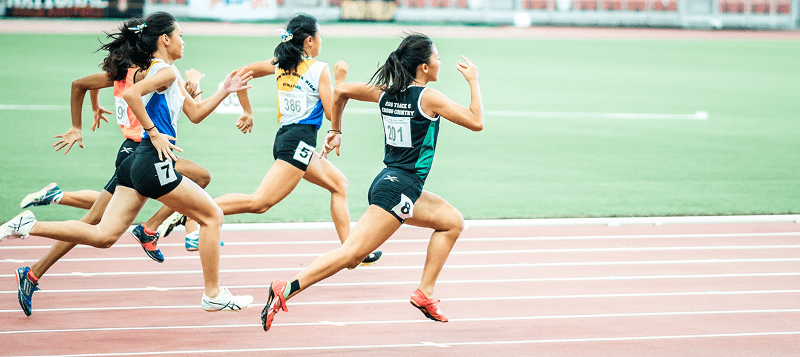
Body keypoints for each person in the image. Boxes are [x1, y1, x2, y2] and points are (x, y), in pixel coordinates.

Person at [1, 11, 254, 313]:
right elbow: (131, 93)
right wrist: (153, 132)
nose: (184, 40)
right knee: (212, 215)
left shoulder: (165, 71)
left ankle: (29, 225)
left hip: (137, 162)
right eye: (180, 35)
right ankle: (212, 294)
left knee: (103, 234)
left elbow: (196, 113)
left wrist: (224, 90)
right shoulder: (164, 72)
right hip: (148, 158)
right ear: (165, 39)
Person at [260, 33, 484, 331]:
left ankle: (424, 293)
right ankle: (286, 287)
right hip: (399, 189)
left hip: (394, 184)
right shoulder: (428, 98)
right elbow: (476, 121)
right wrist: (473, 81)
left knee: (452, 222)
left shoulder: (384, 92)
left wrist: (336, 129)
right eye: (437, 57)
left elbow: (341, 92)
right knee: (351, 256)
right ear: (424, 68)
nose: (440, 61)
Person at [177, 13, 380, 266]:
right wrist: (341, 82)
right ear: (308, 41)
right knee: (260, 202)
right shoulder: (319, 69)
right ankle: (193, 213)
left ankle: (352, 253)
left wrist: (247, 110)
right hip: (298, 144)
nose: (320, 42)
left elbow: (240, 73)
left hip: (290, 141)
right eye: (319, 37)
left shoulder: (280, 63)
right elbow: (331, 113)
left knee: (339, 184)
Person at [8, 68, 215, 317]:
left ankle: (33, 270)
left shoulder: (125, 73)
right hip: (141, 152)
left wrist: (94, 108)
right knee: (198, 178)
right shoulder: (147, 73)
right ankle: (149, 228)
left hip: (138, 151)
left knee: (95, 221)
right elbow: (85, 85)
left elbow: (83, 84)